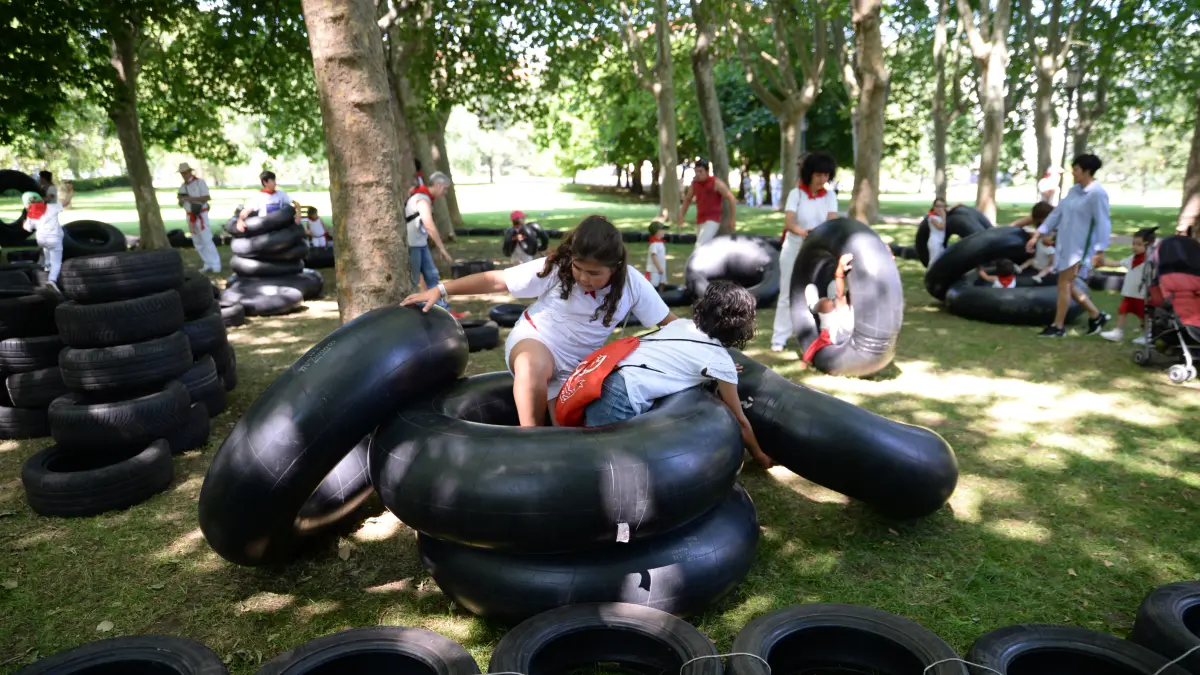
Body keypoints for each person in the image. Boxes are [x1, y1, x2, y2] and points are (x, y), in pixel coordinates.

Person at [402, 215, 676, 427]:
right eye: (578, 268)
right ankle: (528, 438)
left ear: (615, 267)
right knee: (532, 367)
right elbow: (498, 280)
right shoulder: (557, 268)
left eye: (594, 273)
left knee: (567, 434)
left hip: (577, 367)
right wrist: (442, 289)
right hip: (535, 340)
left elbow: (669, 323)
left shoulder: (632, 284)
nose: (583, 278)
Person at [578, 281, 773, 468]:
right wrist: (760, 456)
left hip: (602, 380)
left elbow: (679, 357)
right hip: (619, 397)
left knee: (596, 450)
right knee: (608, 463)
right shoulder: (719, 361)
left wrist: (721, 370)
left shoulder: (682, 325)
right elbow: (740, 420)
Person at [1025, 154, 1112, 338]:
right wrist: (1038, 234)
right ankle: (1096, 315)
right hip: (1066, 246)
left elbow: (1103, 223)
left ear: (1087, 171)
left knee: (1064, 283)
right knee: (1067, 284)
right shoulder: (1074, 191)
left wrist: (1100, 250)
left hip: (1081, 249)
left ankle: (1058, 327)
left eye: (1076, 169)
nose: (1073, 172)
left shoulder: (1097, 194)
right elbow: (1056, 214)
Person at [771, 151, 840, 352]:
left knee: (819, 292)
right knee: (787, 292)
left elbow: (832, 221)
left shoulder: (830, 196)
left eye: (826, 175)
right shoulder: (796, 194)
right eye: (818, 174)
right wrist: (802, 232)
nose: (822, 179)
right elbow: (789, 222)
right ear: (809, 174)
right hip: (793, 248)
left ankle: (819, 334)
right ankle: (779, 338)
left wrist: (819, 236)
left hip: (818, 251)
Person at [404, 172, 461, 318]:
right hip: (413, 245)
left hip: (420, 244)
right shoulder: (422, 199)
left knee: (432, 276)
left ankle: (444, 312)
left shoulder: (425, 198)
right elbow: (429, 224)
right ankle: (411, 314)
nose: (445, 192)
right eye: (445, 188)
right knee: (414, 280)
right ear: (437, 185)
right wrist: (442, 248)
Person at [1100, 228, 1156, 344]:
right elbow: (1118, 263)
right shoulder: (1132, 258)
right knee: (1123, 310)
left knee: (1143, 316)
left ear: (1148, 245)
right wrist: (1103, 263)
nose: (1134, 247)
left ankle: (1147, 335)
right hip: (1129, 293)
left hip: (1141, 295)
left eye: (1139, 245)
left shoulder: (1150, 262)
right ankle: (1118, 331)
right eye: (1134, 244)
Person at [801, 253, 855, 363]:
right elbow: (841, 296)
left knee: (827, 303)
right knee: (834, 296)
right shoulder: (851, 313)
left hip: (832, 332)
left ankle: (813, 306)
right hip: (841, 320)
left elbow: (840, 296)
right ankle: (831, 297)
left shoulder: (849, 321)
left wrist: (839, 273)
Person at [679, 159, 737, 248]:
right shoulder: (695, 184)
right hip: (700, 219)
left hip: (713, 219)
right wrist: (682, 216)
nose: (698, 174)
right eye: (696, 171)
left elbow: (731, 198)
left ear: (707, 172)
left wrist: (732, 219)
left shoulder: (715, 182)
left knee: (700, 245)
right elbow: (687, 199)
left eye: (700, 171)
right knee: (705, 246)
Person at [21, 189, 71, 291]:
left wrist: (24, 222)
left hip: (41, 240)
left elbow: (27, 228)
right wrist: (70, 194)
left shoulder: (30, 214)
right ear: (41, 200)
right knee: (56, 262)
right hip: (54, 239)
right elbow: (65, 203)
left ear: (26, 205)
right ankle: (52, 281)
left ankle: (46, 268)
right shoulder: (51, 207)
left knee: (46, 250)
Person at [177, 163, 222, 273]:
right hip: (190, 215)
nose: (184, 175)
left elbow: (206, 197)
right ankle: (207, 262)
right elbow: (181, 202)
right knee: (197, 241)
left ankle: (216, 263)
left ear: (190, 172)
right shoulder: (183, 186)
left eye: (185, 173)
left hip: (201, 214)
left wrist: (189, 198)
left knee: (206, 239)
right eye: (182, 173)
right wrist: (181, 200)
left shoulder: (199, 183)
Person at [927, 198, 949, 266]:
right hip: (934, 242)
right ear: (934, 207)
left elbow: (950, 208)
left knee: (941, 261)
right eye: (937, 206)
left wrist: (959, 203)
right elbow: (940, 227)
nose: (939, 208)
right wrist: (943, 216)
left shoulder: (939, 217)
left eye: (942, 206)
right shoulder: (932, 217)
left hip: (940, 242)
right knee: (933, 262)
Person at [646, 222, 667, 290]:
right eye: (662, 230)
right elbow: (654, 256)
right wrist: (659, 268)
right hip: (654, 270)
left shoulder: (660, 243)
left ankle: (662, 294)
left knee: (662, 282)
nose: (664, 231)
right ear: (657, 232)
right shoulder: (654, 244)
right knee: (653, 285)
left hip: (661, 269)